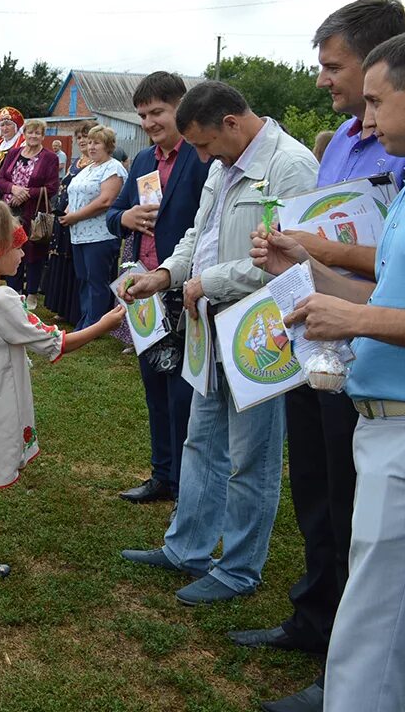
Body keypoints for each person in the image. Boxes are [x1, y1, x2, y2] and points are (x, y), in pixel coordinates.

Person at [228, 0, 405, 712]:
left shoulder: (401, 151)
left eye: (334, 67)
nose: (323, 81)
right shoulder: (344, 139)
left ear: (383, 63)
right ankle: (312, 617)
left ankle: (348, 653)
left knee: (355, 501)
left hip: (376, 350)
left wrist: (323, 253)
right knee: (315, 485)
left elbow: (385, 258)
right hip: (322, 335)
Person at [119, 81, 317, 605]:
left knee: (252, 454)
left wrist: (210, 282)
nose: (202, 157)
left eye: (205, 145)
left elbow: (289, 261)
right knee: (201, 440)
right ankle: (188, 546)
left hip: (259, 331)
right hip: (211, 327)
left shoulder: (290, 166)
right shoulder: (222, 165)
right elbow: (197, 235)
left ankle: (239, 568)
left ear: (231, 123)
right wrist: (165, 274)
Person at [0, 201, 125, 580]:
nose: (23, 254)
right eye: (18, 247)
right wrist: (104, 324)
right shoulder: (2, 301)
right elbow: (53, 342)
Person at [105, 72, 210, 506]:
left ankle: (188, 483)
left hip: (183, 289)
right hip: (142, 291)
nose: (149, 122)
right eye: (143, 114)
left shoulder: (202, 159)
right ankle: (163, 475)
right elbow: (114, 214)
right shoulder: (145, 161)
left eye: (158, 112)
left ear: (180, 108)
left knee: (183, 393)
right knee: (154, 386)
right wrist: (125, 218)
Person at [61, 125, 124, 329]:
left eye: (96, 142)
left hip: (100, 234)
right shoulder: (89, 167)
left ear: (108, 145)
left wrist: (75, 216)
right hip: (79, 234)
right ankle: (86, 317)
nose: (91, 147)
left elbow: (106, 201)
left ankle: (95, 323)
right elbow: (76, 193)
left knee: (96, 280)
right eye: (89, 142)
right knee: (83, 278)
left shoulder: (113, 168)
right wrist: (68, 212)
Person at [0, 118, 60, 309]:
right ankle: (13, 292)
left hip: (33, 213)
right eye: (30, 132)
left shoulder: (50, 158)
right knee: (10, 249)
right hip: (10, 213)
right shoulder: (14, 153)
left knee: (33, 253)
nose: (33, 136)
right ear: (24, 134)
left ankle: (31, 293)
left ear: (43, 136)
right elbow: (0, 180)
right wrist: (13, 188)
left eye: (37, 133)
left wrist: (26, 194)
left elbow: (52, 187)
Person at [41, 122, 94, 323]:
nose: (82, 140)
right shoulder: (77, 162)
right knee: (61, 262)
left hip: (79, 221)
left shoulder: (96, 164)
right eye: (79, 137)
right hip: (62, 220)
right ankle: (61, 307)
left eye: (85, 136)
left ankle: (76, 311)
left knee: (75, 266)